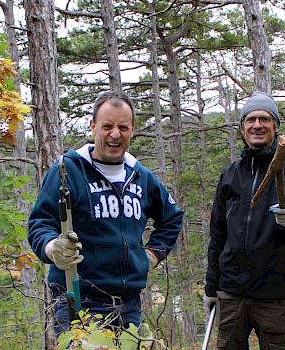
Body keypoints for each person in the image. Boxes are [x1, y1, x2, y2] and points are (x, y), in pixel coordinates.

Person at [28, 90, 184, 338]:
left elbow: (172, 217)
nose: (115, 134)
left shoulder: (141, 177)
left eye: (123, 127)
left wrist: (151, 256)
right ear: (93, 126)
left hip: (128, 304)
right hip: (77, 300)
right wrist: (52, 248)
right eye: (107, 126)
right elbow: (40, 222)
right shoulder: (68, 171)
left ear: (132, 130)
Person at [204, 91, 285, 349]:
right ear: (242, 128)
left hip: (276, 293)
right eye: (250, 119)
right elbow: (218, 234)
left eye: (264, 119)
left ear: (275, 126)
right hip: (232, 292)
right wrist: (211, 288)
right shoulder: (231, 175)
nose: (257, 125)